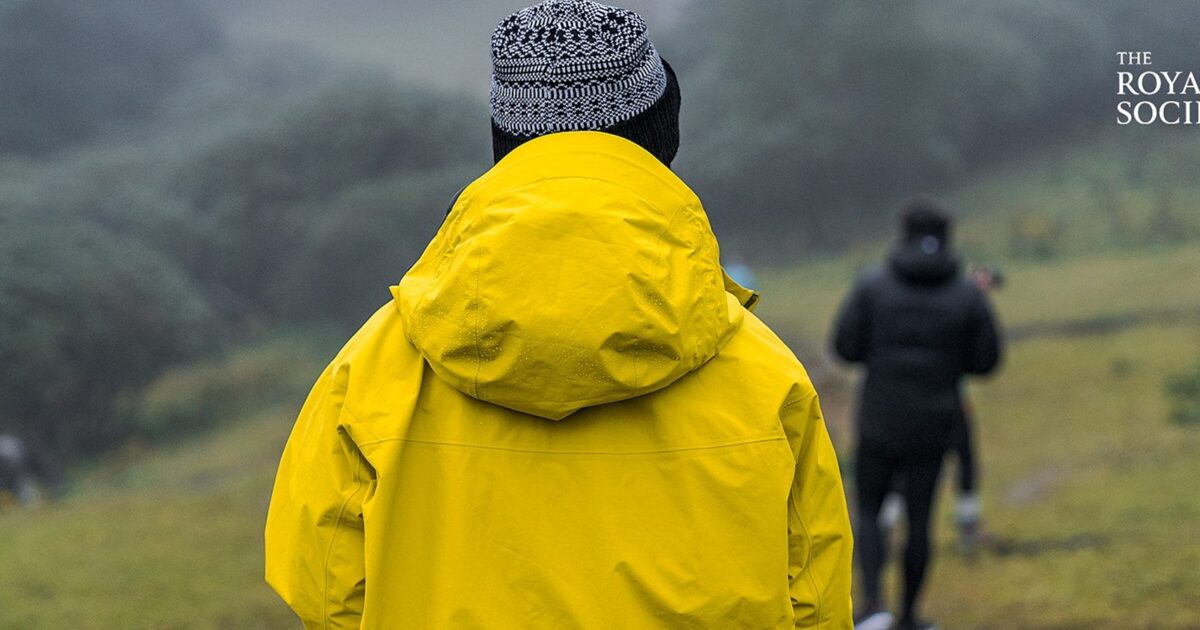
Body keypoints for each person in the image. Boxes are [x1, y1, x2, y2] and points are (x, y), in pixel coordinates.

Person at [264, 1, 853, 628]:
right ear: (664, 136)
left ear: (504, 146)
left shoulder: (371, 371)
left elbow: (324, 587)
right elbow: (814, 598)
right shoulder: (764, 375)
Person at [831, 197, 1001, 630]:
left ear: (901, 234)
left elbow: (845, 347)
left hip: (879, 420)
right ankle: (909, 616)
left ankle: (872, 608)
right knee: (920, 519)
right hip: (935, 421)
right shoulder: (966, 294)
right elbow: (986, 361)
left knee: (869, 511)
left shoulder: (872, 285)